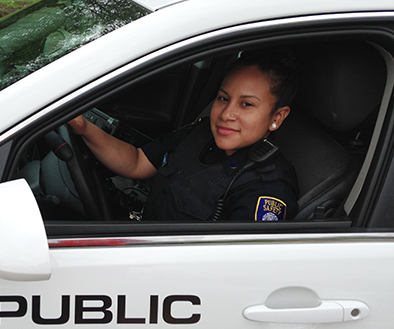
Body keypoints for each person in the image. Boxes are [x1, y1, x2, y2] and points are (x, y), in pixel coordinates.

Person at [68, 49, 299, 221]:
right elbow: (137, 161)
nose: (227, 113)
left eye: (246, 104)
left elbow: (235, 268)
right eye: (223, 98)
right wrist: (85, 129)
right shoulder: (199, 134)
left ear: (277, 117)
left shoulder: (267, 188)